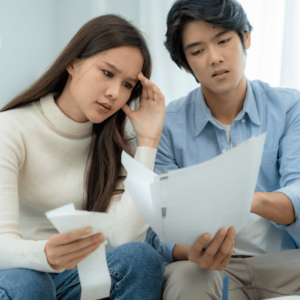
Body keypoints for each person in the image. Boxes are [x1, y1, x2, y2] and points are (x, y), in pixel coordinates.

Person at [0, 14, 167, 300]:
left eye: (128, 85)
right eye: (107, 73)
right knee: (32, 283)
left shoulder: (112, 147)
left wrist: (148, 142)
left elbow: (126, 238)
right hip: (13, 274)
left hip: (69, 278)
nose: (115, 93)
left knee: (142, 258)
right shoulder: (11, 129)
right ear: (73, 62)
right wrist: (46, 254)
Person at [154, 0, 300, 299]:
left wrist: (246, 197)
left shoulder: (289, 107)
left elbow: (298, 191)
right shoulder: (167, 124)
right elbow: (161, 227)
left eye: (223, 41)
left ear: (246, 37)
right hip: (207, 268)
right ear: (184, 63)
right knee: (184, 278)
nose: (215, 58)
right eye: (197, 51)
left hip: (286, 262)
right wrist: (190, 251)